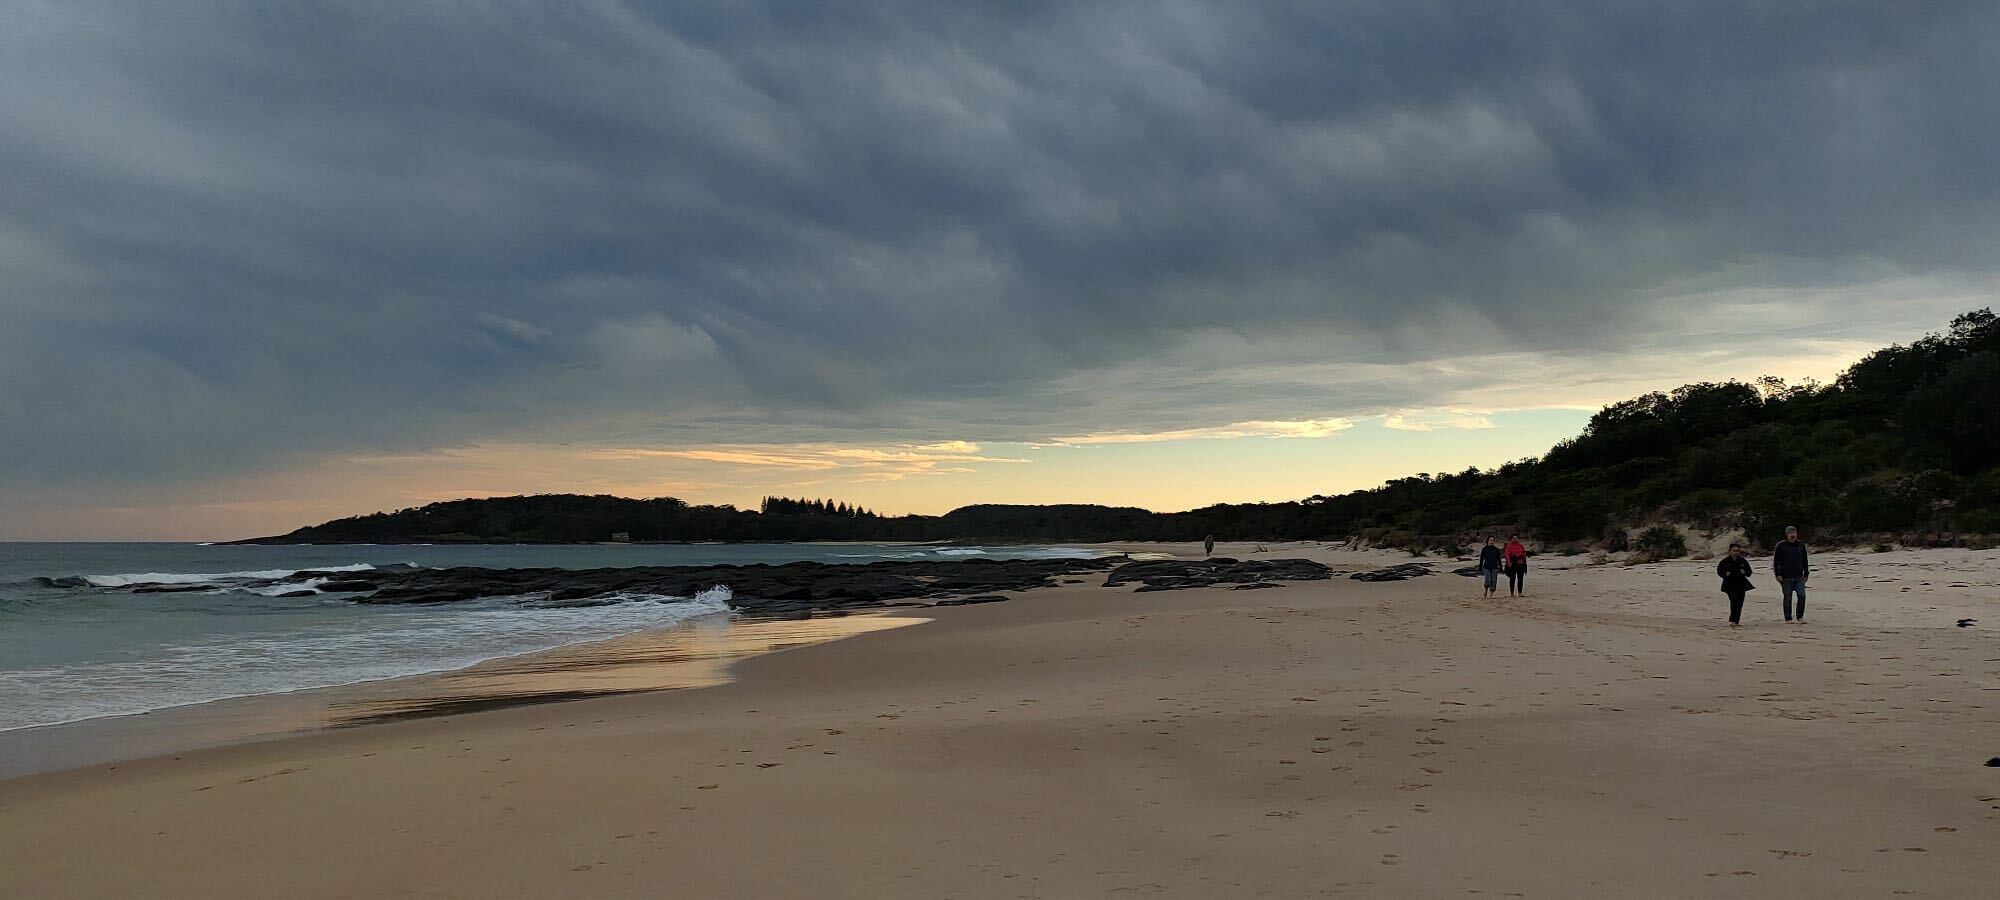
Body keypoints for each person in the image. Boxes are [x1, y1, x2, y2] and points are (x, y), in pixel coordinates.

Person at [1773, 525, 1810, 623]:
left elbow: (1805, 560)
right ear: (1787, 535)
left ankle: (1799, 617)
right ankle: (1788, 618)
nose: (1793, 535)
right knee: (1787, 597)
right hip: (1785, 577)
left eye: (1794, 533)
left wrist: (1806, 573)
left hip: (1799, 576)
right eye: (1790, 533)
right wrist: (1778, 574)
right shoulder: (1781, 546)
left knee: (1802, 595)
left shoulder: (1801, 545)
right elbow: (1776, 561)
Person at [1715, 541, 1756, 626]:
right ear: (1729, 551)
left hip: (1741, 584)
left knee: (1740, 603)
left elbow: (1749, 573)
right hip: (1730, 585)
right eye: (1734, 550)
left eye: (1737, 551)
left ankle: (1736, 621)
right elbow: (1719, 571)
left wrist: (1744, 572)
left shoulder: (1742, 561)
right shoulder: (1725, 561)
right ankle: (1733, 620)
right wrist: (1725, 574)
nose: (1736, 552)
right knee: (1734, 602)